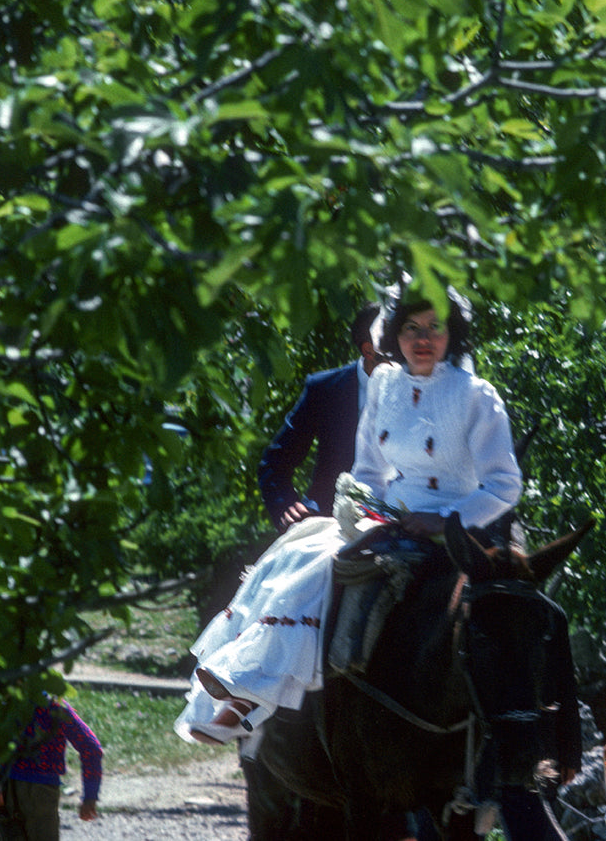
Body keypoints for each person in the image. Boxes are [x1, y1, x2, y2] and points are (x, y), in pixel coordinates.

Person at [173, 286, 522, 744]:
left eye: (435, 327)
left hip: (457, 527)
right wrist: (362, 510)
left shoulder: (476, 395)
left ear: (450, 333)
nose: (423, 338)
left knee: (510, 617)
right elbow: (368, 471)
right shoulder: (385, 384)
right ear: (394, 335)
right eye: (411, 328)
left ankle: (512, 753)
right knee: (304, 561)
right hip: (389, 520)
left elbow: (503, 485)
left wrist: (444, 520)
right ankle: (246, 692)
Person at [258, 303, 386, 533]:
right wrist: (286, 507)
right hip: (325, 522)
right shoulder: (325, 389)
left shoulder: (423, 388)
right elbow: (274, 463)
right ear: (369, 350)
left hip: (402, 520)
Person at [0, 694, 102, 841]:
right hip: (38, 793)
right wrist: (90, 796)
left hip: (6, 792)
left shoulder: (2, 701)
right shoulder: (54, 706)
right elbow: (91, 747)